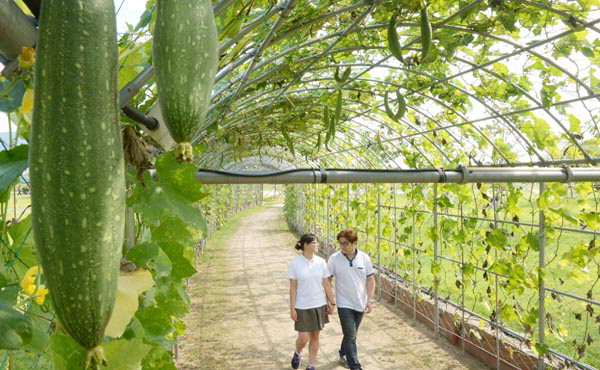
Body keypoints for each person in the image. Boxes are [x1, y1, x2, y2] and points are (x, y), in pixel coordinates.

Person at [327, 229, 376, 370]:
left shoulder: (364, 258)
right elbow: (328, 280)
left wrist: (370, 299)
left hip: (360, 302)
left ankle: (343, 352)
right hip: (344, 303)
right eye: (340, 243)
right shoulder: (334, 258)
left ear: (354, 243)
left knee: (351, 334)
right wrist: (329, 300)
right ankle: (355, 365)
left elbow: (371, 280)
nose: (342, 246)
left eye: (346, 243)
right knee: (351, 335)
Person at [288, 233, 335, 370]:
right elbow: (293, 288)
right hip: (302, 305)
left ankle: (311, 365)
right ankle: (298, 352)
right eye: (315, 242)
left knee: (315, 336)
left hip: (318, 304)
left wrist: (331, 302)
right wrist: (292, 308)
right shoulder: (295, 264)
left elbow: (326, 284)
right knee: (303, 338)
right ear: (306, 245)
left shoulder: (321, 262)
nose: (317, 245)